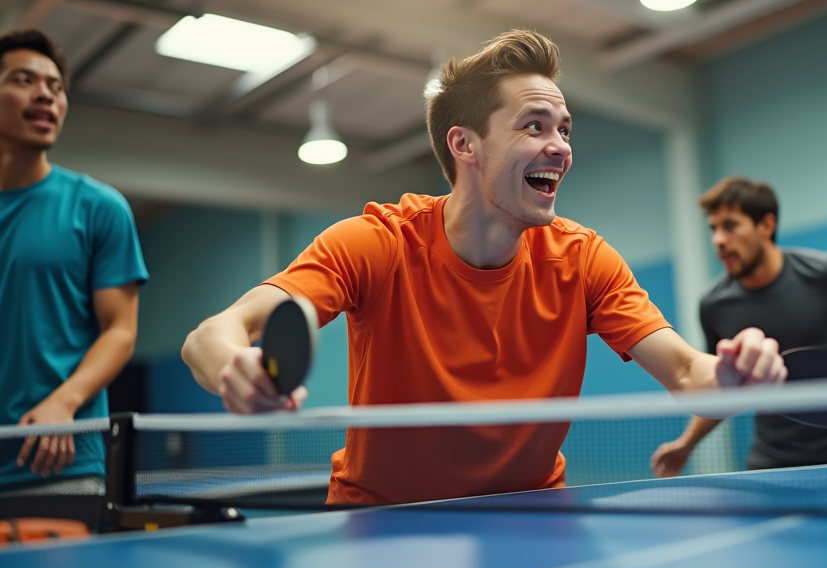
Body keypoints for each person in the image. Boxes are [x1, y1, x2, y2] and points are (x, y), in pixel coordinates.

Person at [182, 29, 786, 506]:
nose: (562, 146)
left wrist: (732, 377)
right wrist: (235, 369)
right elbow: (211, 336)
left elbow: (686, 372)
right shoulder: (378, 243)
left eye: (564, 128)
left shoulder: (582, 259)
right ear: (465, 145)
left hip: (532, 515)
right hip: (384, 521)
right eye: (534, 126)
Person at [650, 177, 827, 477]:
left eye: (730, 226)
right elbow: (721, 390)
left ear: (766, 226)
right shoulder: (714, 304)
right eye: (714, 228)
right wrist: (686, 444)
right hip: (772, 461)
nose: (718, 240)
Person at [0, 29, 147, 494]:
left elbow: (120, 331)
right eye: (24, 80)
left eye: (56, 86)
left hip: (58, 464)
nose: (45, 93)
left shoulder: (99, 207)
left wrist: (64, 404)